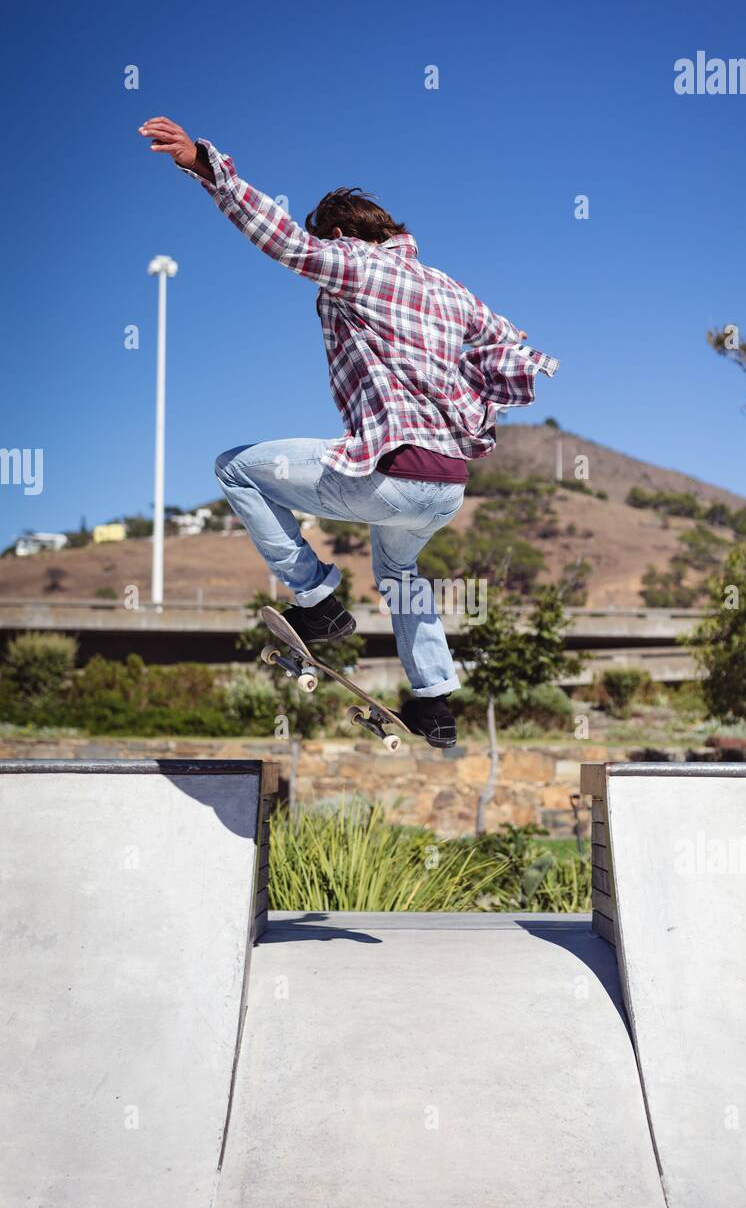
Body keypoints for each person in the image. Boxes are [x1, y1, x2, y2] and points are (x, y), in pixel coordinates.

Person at [139, 117, 558, 747]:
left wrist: (206, 165)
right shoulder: (448, 288)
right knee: (400, 575)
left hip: (391, 474)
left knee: (235, 466)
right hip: (446, 487)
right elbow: (511, 342)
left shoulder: (356, 265)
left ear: (341, 234)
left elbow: (283, 241)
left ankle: (318, 601)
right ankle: (436, 704)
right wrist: (466, 385)